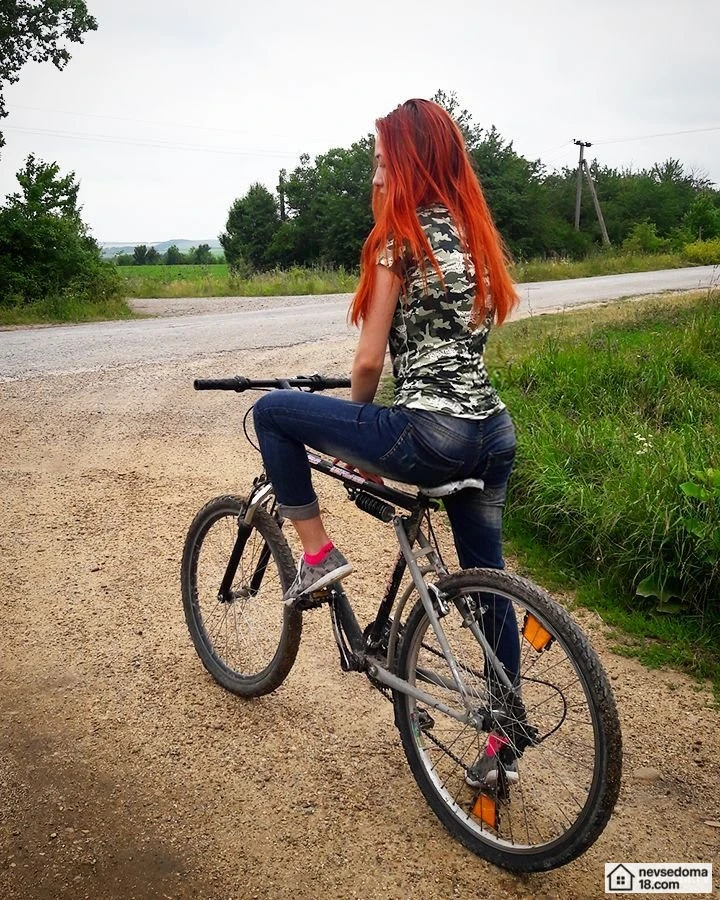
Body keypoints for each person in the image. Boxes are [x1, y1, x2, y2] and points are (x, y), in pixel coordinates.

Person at [253, 100, 520, 743]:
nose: (375, 176)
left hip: (431, 432)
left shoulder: (400, 238)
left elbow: (369, 360)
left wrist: (354, 427)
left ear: (411, 164)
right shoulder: (475, 236)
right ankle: (502, 737)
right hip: (493, 432)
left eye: (382, 162)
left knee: (272, 412)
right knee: (490, 588)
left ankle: (318, 555)